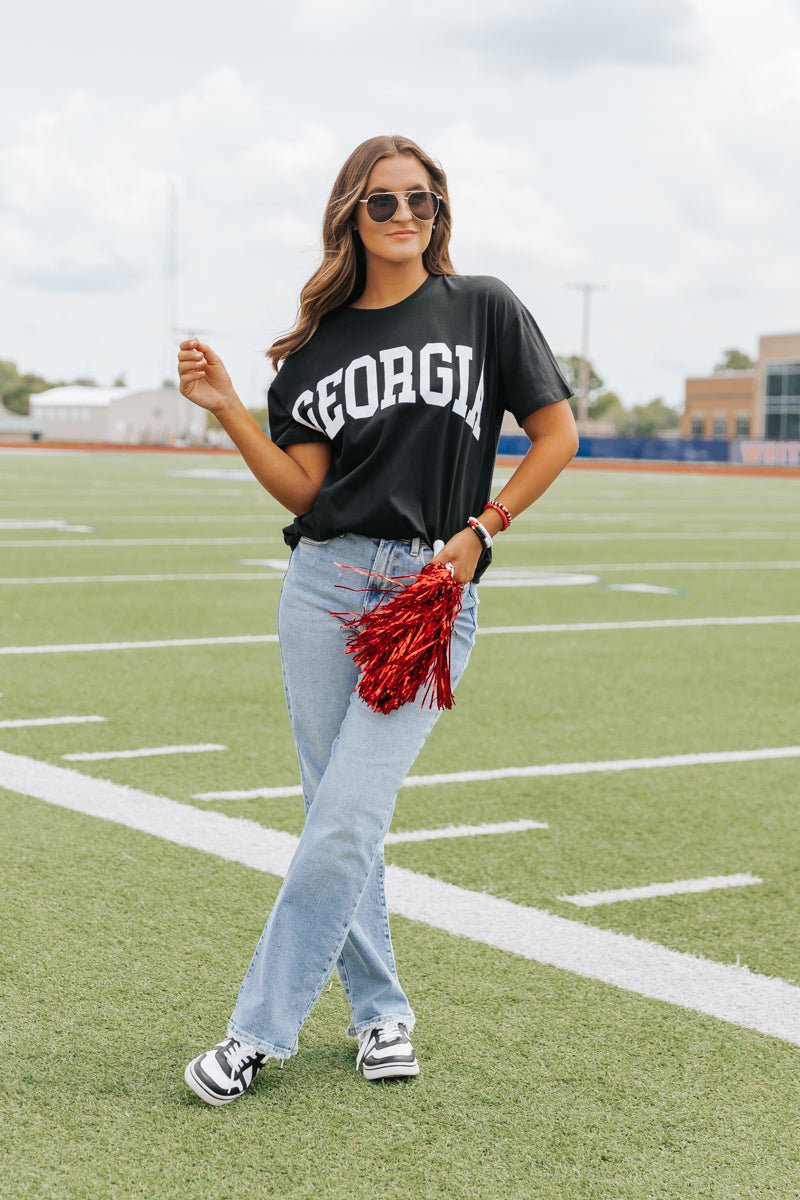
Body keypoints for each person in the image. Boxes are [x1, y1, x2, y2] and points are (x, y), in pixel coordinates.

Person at [177, 133, 578, 1106]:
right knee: (335, 820)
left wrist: (484, 529)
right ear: (350, 214)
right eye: (384, 203)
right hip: (321, 586)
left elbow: (556, 433)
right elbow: (303, 492)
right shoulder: (315, 348)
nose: (406, 218)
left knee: (348, 815)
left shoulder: (481, 307)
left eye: (422, 202)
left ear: (439, 212)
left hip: (427, 593)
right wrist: (231, 409)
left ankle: (253, 1034)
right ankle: (380, 1013)